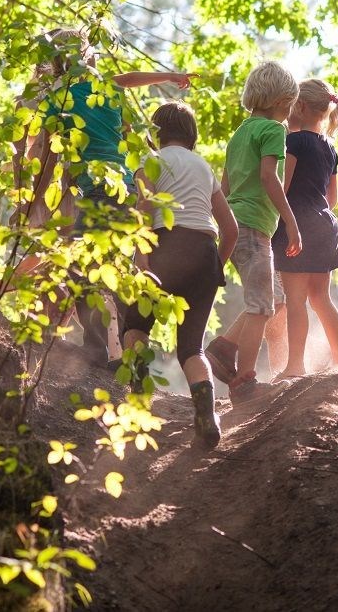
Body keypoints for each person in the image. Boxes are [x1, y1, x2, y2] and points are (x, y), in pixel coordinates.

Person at [15, 28, 192, 364]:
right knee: (109, 270)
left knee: (81, 269)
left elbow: (51, 160)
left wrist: (33, 202)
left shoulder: (58, 98)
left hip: (99, 192)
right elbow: (130, 130)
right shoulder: (108, 90)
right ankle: (126, 351)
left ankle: (97, 348)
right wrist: (169, 77)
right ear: (85, 57)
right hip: (125, 192)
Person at [120, 101, 237, 449]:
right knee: (191, 347)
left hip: (164, 246)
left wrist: (142, 259)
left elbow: (142, 211)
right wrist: (216, 265)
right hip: (204, 250)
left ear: (156, 134)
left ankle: (140, 407)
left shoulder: (150, 162)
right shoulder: (203, 167)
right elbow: (229, 229)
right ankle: (207, 415)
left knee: (135, 328)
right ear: (192, 136)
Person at [205, 61, 301, 404]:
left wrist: (222, 228)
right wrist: (289, 220)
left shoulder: (241, 133)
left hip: (234, 225)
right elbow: (268, 177)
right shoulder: (274, 130)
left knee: (271, 301)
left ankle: (224, 347)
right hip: (255, 228)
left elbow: (226, 184)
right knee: (262, 307)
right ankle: (244, 381)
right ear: (281, 101)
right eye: (290, 104)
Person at [268, 79, 338, 378]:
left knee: (296, 300)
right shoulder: (330, 147)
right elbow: (333, 198)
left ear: (299, 106)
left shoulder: (293, 142)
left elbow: (283, 185)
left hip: (297, 225)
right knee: (320, 298)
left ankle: (295, 365)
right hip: (325, 225)